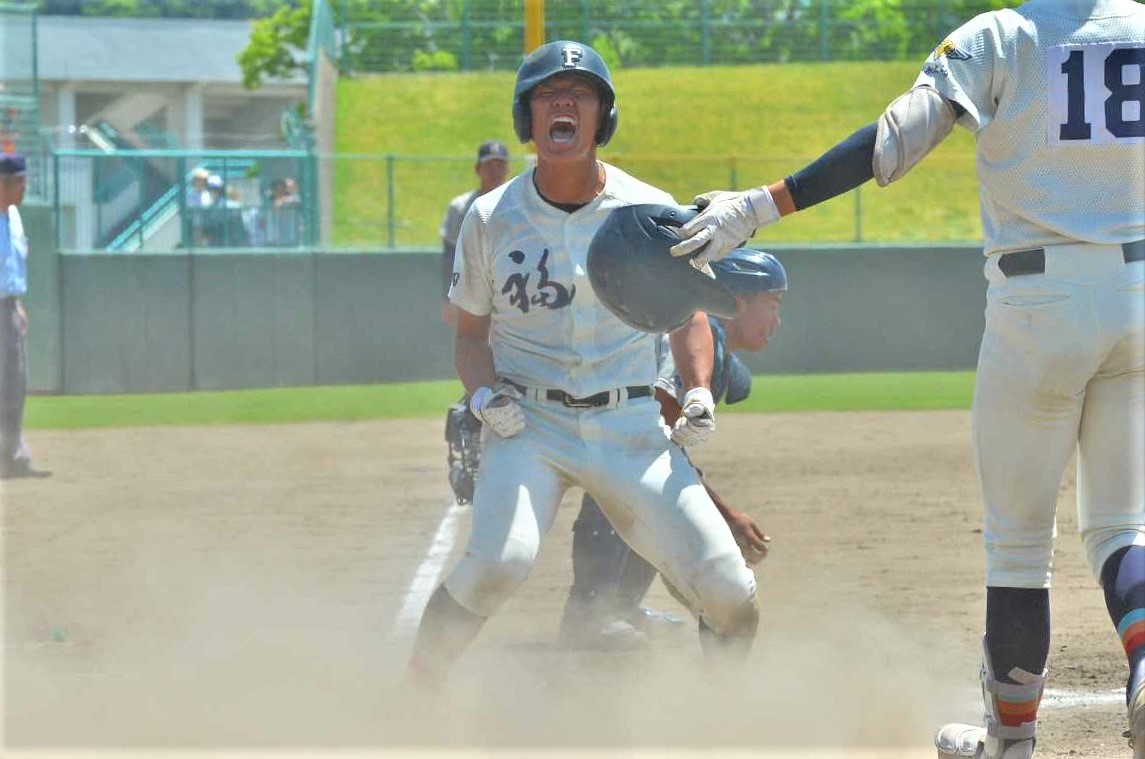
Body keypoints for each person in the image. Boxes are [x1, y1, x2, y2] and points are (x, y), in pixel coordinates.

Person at [670, 2, 1144, 756]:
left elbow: (892, 143)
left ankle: (1011, 742)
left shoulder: (1000, 34)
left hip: (1037, 299)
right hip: (1138, 295)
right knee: (1122, 526)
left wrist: (757, 206)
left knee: (1018, 547)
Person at [409, 40, 759, 688]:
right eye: (547, 93)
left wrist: (698, 389)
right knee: (498, 562)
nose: (563, 102)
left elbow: (688, 316)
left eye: (580, 93)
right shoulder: (489, 218)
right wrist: (484, 398)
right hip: (529, 423)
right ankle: (416, 692)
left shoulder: (647, 211)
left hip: (629, 425)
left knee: (730, 590)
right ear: (527, 117)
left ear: (602, 116)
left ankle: (722, 716)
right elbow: (469, 336)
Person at [560, 248, 785, 649]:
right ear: (738, 302)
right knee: (646, 493)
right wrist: (725, 512)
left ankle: (619, 608)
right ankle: (591, 615)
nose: (777, 321)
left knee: (660, 497)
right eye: (772, 304)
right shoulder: (696, 340)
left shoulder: (720, 357)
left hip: (619, 454)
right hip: (599, 446)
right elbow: (655, 423)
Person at [0, 153, 50, 480]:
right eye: (19, 181)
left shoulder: (15, 217)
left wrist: (17, 305)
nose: (24, 186)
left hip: (9, 309)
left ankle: (10, 457)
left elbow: (15, 264)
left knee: (14, 386)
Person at [438, 140, 510, 328]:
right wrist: (448, 297)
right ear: (478, 169)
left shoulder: (518, 206)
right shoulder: (460, 207)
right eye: (489, 166)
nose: (495, 171)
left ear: (507, 169)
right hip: (471, 291)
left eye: (500, 165)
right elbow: (450, 255)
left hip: (509, 289)